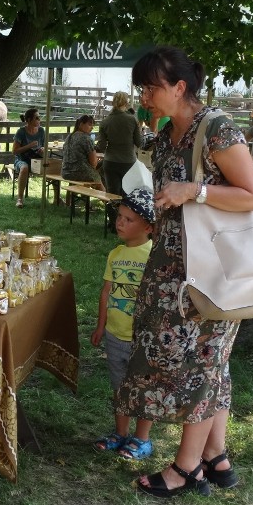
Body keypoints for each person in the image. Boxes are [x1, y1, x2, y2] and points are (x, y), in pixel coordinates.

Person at [116, 46, 253, 498]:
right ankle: (217, 459)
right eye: (141, 87)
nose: (144, 95)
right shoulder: (165, 135)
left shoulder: (216, 128)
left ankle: (186, 469)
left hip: (212, 272)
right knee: (205, 364)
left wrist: (193, 191)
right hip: (173, 270)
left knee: (201, 365)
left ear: (180, 87)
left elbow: (251, 195)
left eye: (151, 86)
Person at [90, 188, 155, 460]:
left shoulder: (154, 255)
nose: (120, 223)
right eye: (119, 217)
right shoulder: (115, 254)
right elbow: (107, 291)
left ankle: (142, 439)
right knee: (119, 386)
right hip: (115, 335)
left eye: (129, 219)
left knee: (142, 388)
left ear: (149, 227)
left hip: (143, 339)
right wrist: (100, 325)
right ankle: (120, 433)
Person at [96, 91, 143, 197]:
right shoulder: (132, 120)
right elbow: (139, 142)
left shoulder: (105, 122)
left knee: (112, 195)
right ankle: (125, 214)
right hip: (128, 162)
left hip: (110, 161)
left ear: (113, 103)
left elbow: (101, 146)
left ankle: (112, 214)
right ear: (126, 103)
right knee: (128, 194)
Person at [12, 107, 45, 208]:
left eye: (39, 118)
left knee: (51, 166)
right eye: (37, 118)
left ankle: (57, 198)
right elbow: (14, 151)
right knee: (25, 168)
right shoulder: (21, 132)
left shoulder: (41, 131)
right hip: (21, 160)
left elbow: (43, 146)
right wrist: (29, 146)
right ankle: (20, 199)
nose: (39, 120)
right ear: (29, 120)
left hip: (36, 159)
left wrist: (42, 150)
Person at [62, 114, 103, 188]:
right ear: (81, 124)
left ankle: (73, 198)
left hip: (66, 172)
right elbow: (93, 163)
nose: (92, 127)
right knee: (97, 178)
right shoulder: (86, 138)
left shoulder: (69, 136)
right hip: (80, 172)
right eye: (90, 124)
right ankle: (106, 199)